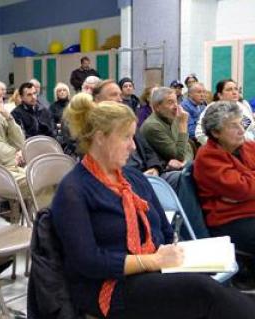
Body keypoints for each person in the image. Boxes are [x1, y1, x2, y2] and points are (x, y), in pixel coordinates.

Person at [52, 97, 255, 318]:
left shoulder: (133, 178)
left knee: (209, 284)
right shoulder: (73, 190)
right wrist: (152, 260)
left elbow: (166, 232)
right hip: (111, 285)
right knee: (203, 292)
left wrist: (177, 256)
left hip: (151, 269)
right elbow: (88, 262)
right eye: (126, 137)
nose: (133, 145)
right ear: (101, 138)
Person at [194, 100, 255, 257]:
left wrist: (245, 178)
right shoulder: (207, 156)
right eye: (234, 126)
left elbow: (245, 188)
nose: (242, 130)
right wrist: (246, 182)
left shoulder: (247, 146)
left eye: (241, 123)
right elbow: (242, 189)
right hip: (230, 220)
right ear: (216, 133)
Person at [140, 87, 193, 171]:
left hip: (180, 168)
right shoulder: (152, 126)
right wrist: (183, 124)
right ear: (157, 107)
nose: (176, 106)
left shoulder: (172, 118)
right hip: (162, 172)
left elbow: (188, 148)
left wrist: (186, 162)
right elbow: (178, 156)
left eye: (176, 101)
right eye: (170, 102)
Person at [195, 79, 255, 145]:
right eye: (229, 90)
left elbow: (251, 129)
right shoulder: (212, 109)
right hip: (220, 150)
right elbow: (200, 134)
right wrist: (219, 146)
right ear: (220, 95)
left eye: (236, 89)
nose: (234, 92)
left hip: (245, 148)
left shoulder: (242, 107)